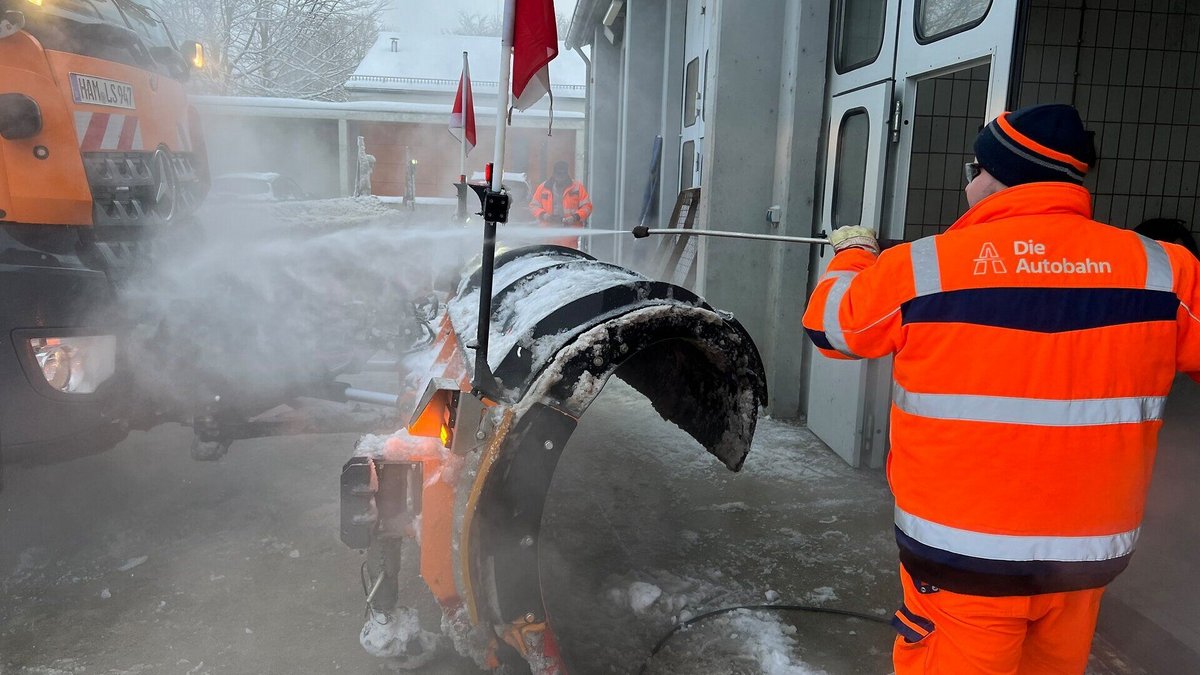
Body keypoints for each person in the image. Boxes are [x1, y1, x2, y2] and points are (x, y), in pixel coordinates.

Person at [802, 103, 1200, 674]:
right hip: (1086, 560)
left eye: (974, 168)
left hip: (964, 560)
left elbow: (831, 327)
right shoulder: (1167, 271)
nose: (969, 181)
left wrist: (854, 255)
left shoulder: (923, 267)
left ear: (996, 175)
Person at [530, 160, 592, 248]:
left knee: (567, 257)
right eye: (558, 174)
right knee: (548, 258)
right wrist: (544, 215)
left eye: (562, 174)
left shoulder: (577, 187)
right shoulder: (543, 187)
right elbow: (534, 205)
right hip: (548, 232)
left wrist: (575, 217)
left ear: (567, 174)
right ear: (554, 174)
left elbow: (587, 207)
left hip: (569, 234)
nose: (560, 177)